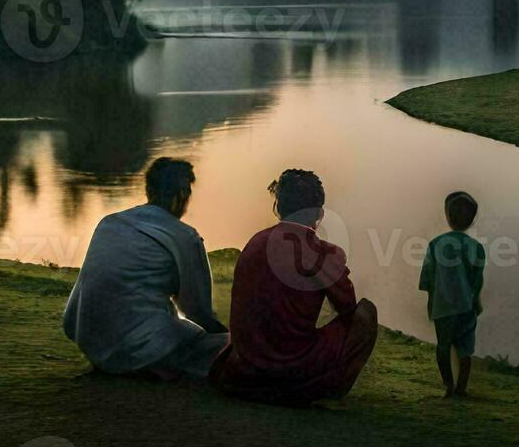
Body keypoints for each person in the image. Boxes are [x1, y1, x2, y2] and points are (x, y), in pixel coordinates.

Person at [209, 170, 378, 406]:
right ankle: (322, 388)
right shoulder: (323, 252)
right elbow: (349, 308)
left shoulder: (256, 242)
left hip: (243, 369)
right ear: (319, 213)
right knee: (366, 313)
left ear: (278, 207)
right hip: (293, 367)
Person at [62, 157, 228, 379]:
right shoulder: (185, 236)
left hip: (94, 345)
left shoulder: (109, 222)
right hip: (143, 349)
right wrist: (230, 339)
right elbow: (198, 311)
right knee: (228, 346)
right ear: (182, 194)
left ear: (149, 190)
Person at [419, 191, 485, 397]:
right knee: (465, 348)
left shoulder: (436, 244)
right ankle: (461, 389)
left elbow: (428, 277)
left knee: (443, 346)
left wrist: (430, 302)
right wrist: (476, 302)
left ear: (447, 216)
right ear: (472, 219)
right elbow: (477, 280)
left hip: (442, 305)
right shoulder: (476, 247)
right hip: (466, 306)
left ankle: (448, 386)